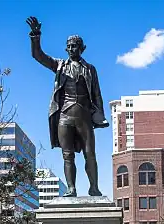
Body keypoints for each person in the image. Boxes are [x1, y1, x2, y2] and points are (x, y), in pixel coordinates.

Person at [26, 16, 109, 197]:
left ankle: (93, 188)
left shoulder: (90, 69)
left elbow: (97, 93)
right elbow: (37, 55)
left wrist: (100, 115)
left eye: (75, 46)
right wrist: (35, 35)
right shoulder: (59, 65)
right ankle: (71, 189)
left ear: (82, 48)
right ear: (66, 48)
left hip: (85, 117)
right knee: (67, 155)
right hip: (64, 116)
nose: (72, 49)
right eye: (69, 46)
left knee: (90, 154)